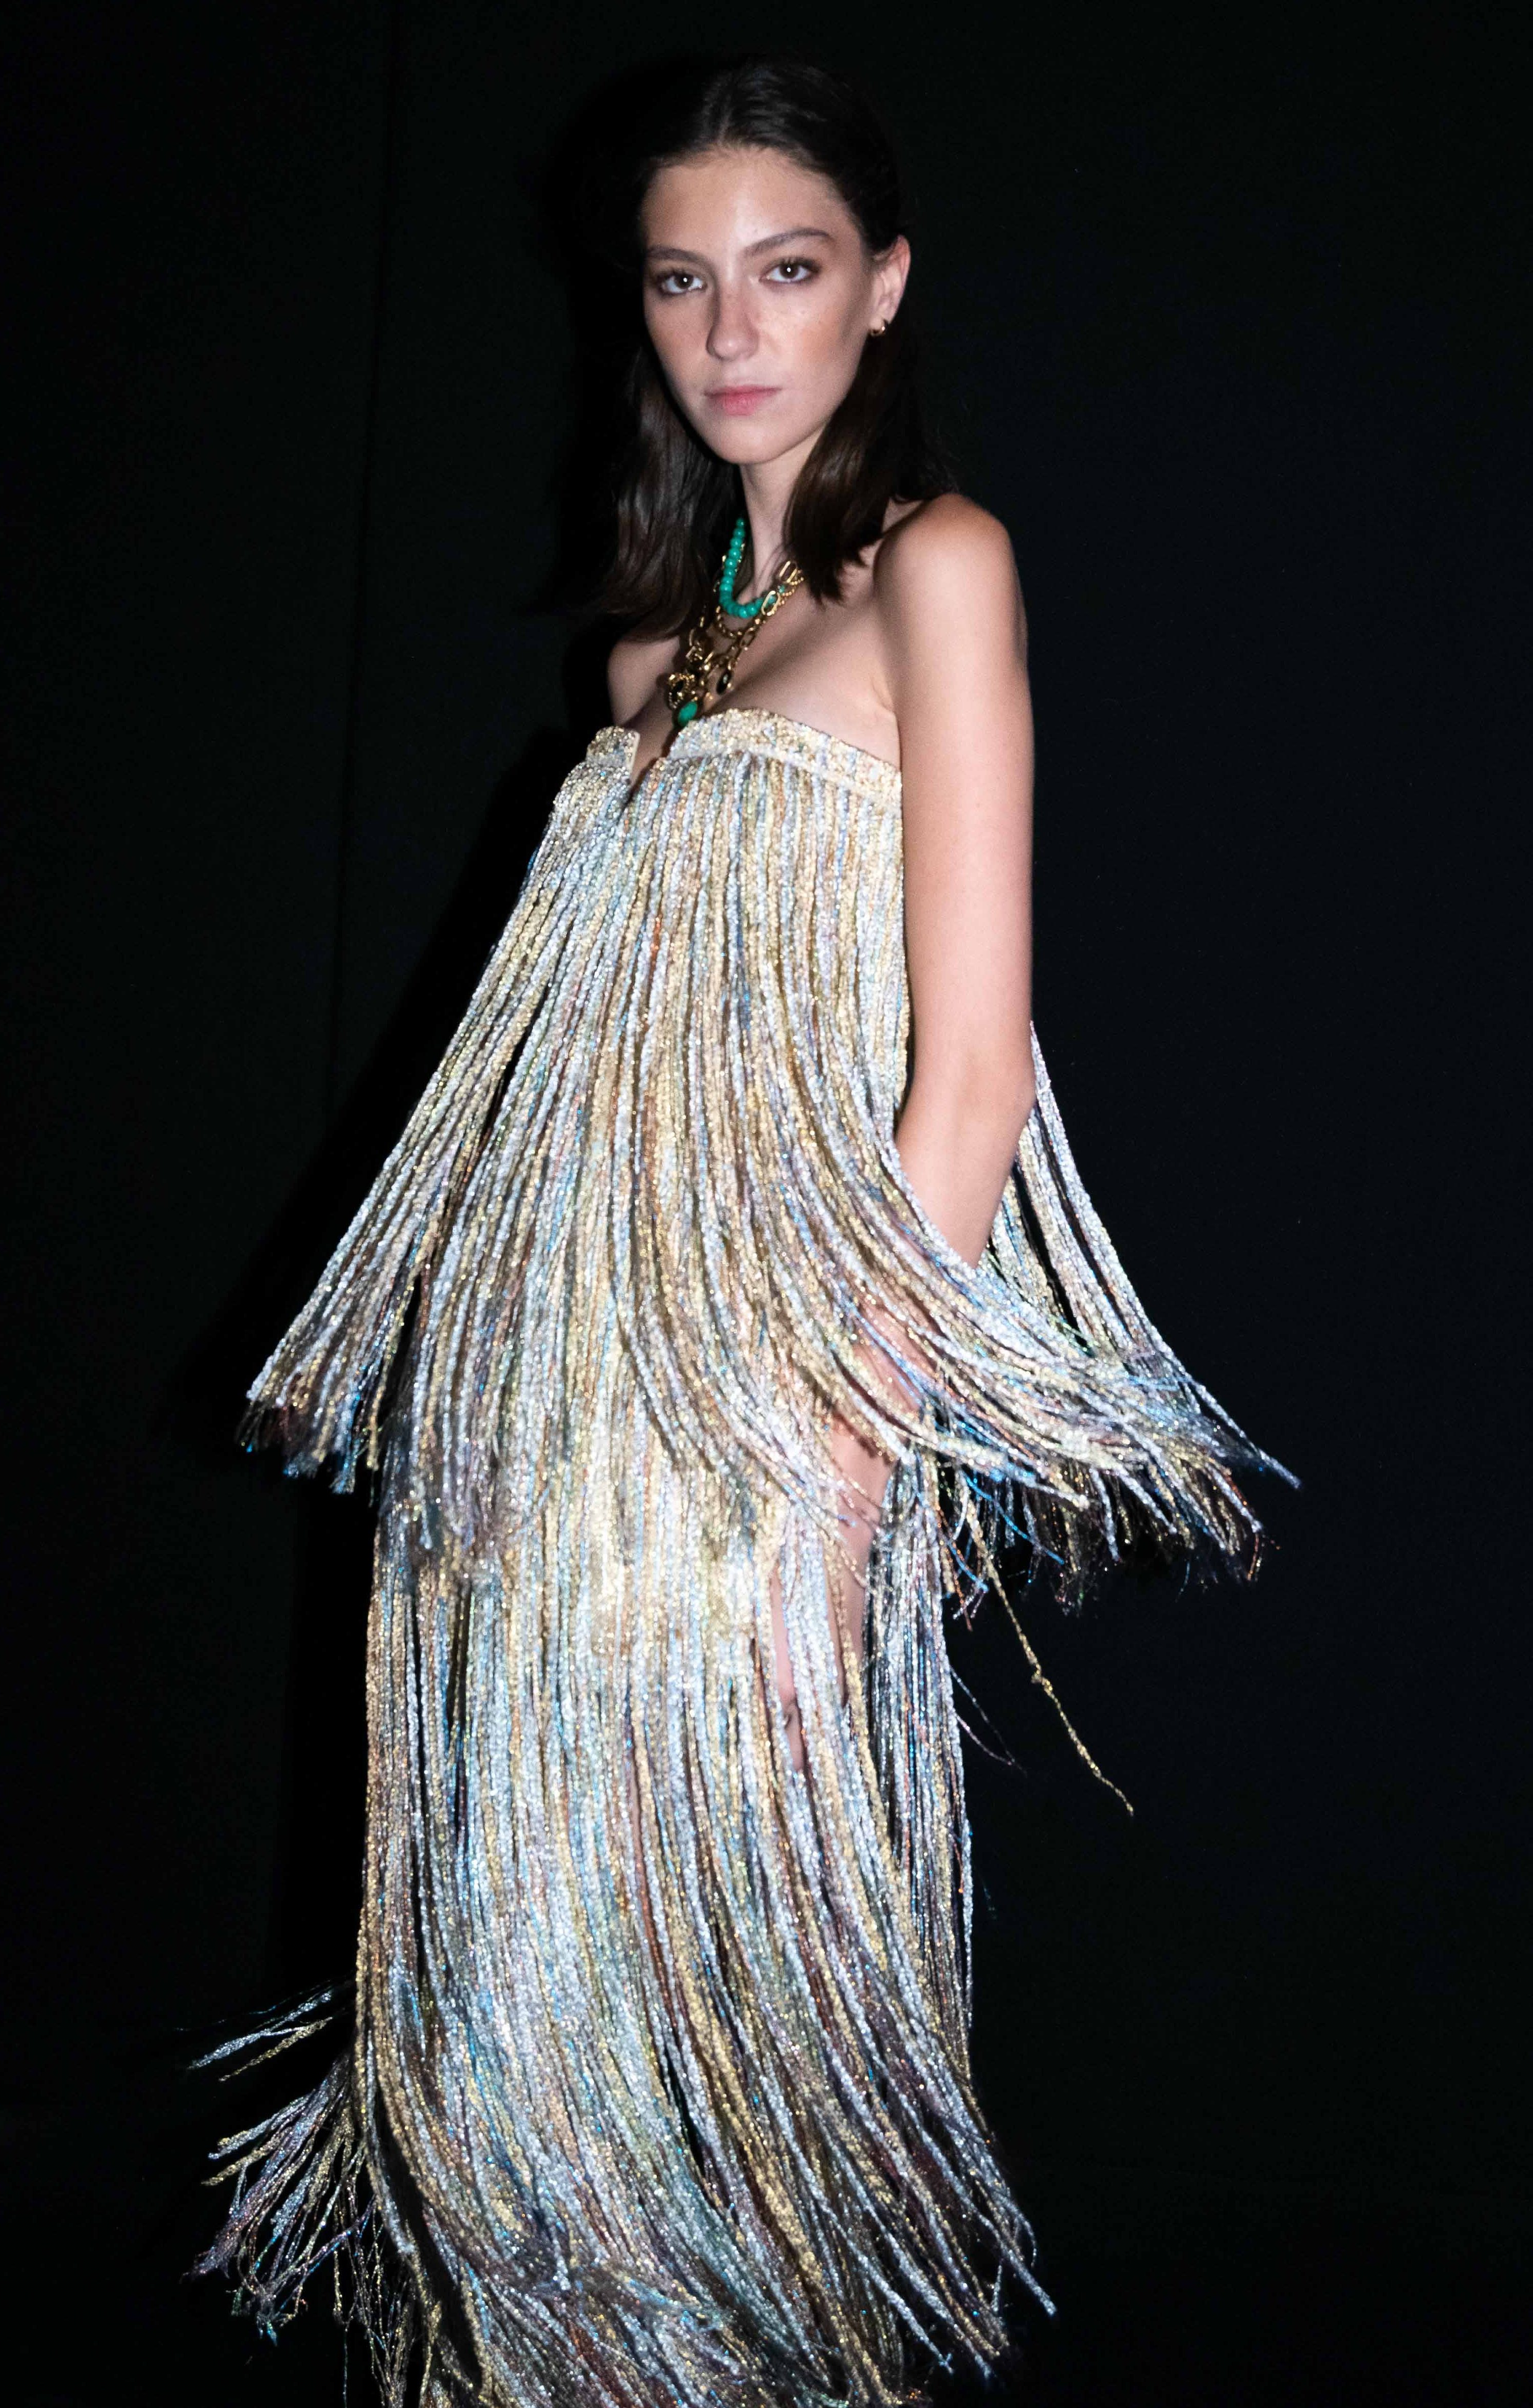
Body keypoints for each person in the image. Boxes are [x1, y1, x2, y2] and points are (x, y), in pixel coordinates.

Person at [198, 55, 1281, 2408]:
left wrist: (847, 1455)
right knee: (505, 2017)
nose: (729, 329)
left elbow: (968, 1071)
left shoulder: (938, 569)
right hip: (534, 1422)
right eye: (681, 281)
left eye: (783, 271)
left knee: (717, 2017)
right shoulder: (643, 665)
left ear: (881, 286)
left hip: (756, 1428)